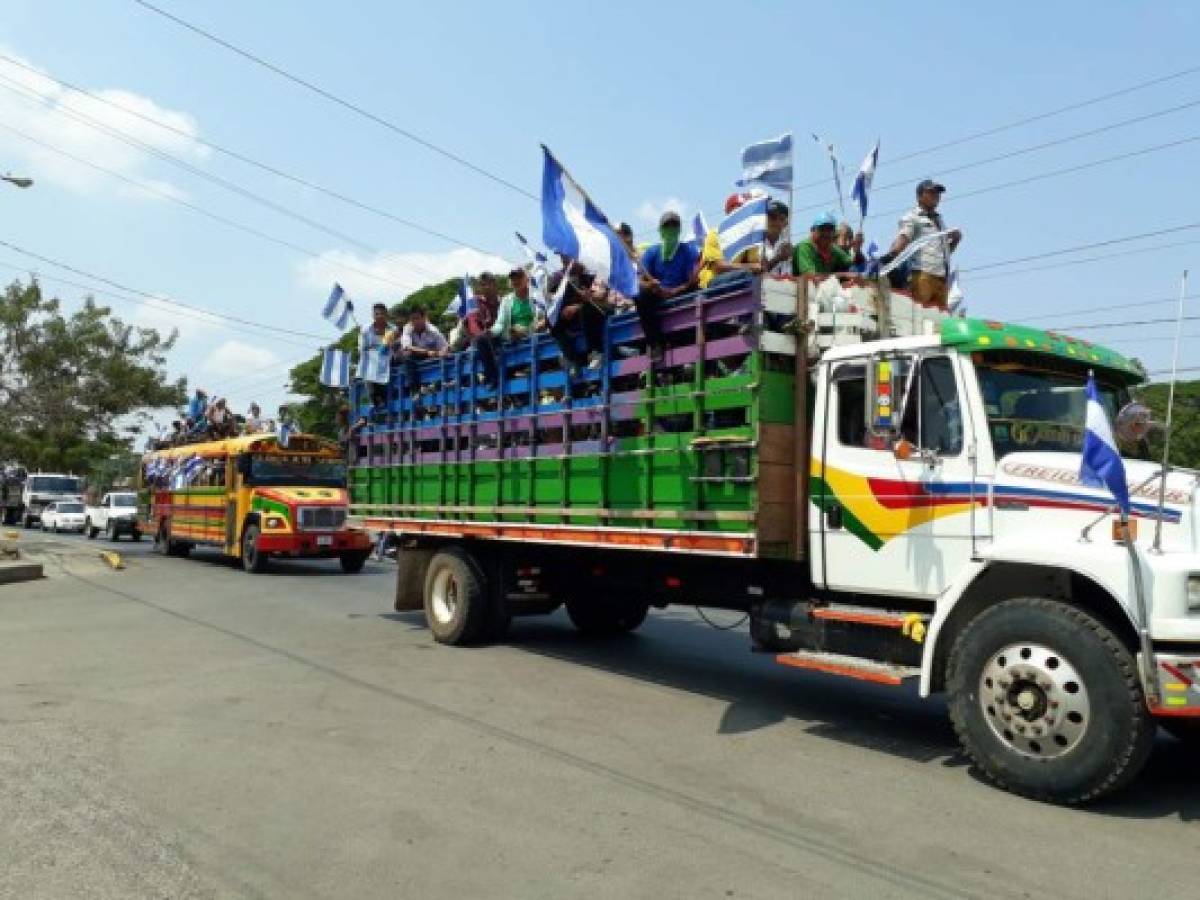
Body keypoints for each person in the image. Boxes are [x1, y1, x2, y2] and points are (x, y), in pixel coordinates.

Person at [881, 179, 963, 310]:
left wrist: (955, 240)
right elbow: (903, 238)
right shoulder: (913, 216)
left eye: (938, 193)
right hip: (922, 275)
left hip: (941, 278)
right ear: (920, 196)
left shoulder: (939, 220)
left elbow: (944, 253)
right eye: (931, 192)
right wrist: (891, 255)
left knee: (938, 321)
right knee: (920, 315)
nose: (936, 195)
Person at [637, 210, 700, 362]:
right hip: (657, 295)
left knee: (702, 294)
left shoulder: (689, 250)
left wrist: (676, 290)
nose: (670, 229)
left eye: (674, 225)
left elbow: (693, 279)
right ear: (660, 230)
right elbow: (639, 281)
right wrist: (651, 285)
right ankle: (655, 344)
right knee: (640, 294)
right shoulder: (651, 252)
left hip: (682, 293)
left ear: (679, 229)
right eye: (667, 226)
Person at [701, 196, 794, 289]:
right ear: (728, 213)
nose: (739, 214)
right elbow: (719, 266)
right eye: (735, 210)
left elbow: (759, 267)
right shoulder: (716, 233)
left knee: (756, 277)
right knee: (748, 275)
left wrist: (776, 259)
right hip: (714, 282)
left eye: (742, 210)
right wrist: (751, 267)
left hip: (738, 278)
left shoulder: (750, 237)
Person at [478, 268, 545, 386]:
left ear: (526, 279)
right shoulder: (507, 300)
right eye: (513, 278)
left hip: (533, 332)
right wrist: (491, 332)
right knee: (482, 339)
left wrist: (527, 330)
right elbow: (500, 323)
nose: (515, 281)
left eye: (519, 277)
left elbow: (543, 317)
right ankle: (493, 377)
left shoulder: (536, 295)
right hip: (512, 334)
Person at [548, 260, 607, 377]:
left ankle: (595, 352)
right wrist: (563, 310)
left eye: (568, 256)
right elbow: (551, 298)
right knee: (550, 319)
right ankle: (572, 360)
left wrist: (580, 303)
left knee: (587, 309)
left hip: (598, 309)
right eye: (562, 256)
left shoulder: (592, 273)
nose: (565, 259)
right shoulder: (559, 277)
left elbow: (601, 294)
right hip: (573, 316)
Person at [398, 305, 448, 394]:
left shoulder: (433, 330)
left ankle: (437, 384)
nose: (415, 321)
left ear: (424, 317)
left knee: (446, 357)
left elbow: (444, 346)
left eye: (417, 318)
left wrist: (443, 351)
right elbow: (407, 346)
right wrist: (427, 352)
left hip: (431, 357)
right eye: (412, 319)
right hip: (415, 355)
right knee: (406, 355)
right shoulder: (408, 328)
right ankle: (415, 390)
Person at [794, 211, 862, 276]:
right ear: (812, 230)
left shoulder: (832, 248)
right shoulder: (805, 247)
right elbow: (811, 276)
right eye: (822, 229)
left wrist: (857, 250)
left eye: (830, 230)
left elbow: (850, 262)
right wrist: (842, 275)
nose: (826, 233)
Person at [361, 302, 397, 410]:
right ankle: (375, 399)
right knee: (368, 370)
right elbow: (363, 349)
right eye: (377, 314)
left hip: (389, 359)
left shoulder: (392, 329)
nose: (379, 316)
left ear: (386, 315)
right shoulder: (366, 330)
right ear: (373, 316)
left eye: (382, 314)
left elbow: (394, 346)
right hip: (373, 360)